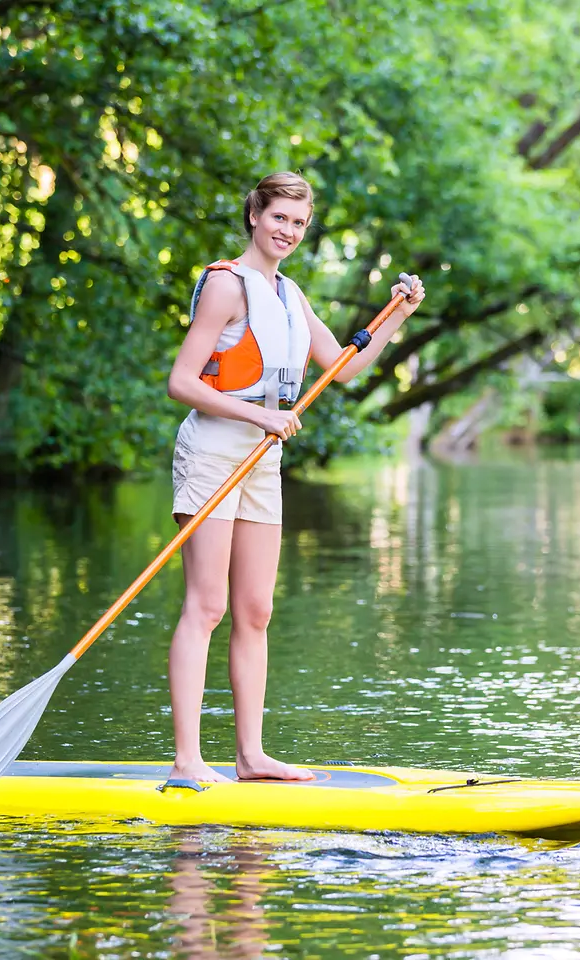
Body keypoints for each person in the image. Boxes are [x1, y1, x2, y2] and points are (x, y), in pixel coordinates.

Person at [164, 172, 425, 783]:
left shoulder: (290, 295)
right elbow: (182, 383)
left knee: (255, 610)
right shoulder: (226, 286)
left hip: (263, 459)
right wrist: (263, 415)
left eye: (300, 223)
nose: (288, 231)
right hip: (212, 453)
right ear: (256, 214)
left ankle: (251, 757)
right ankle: (186, 761)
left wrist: (399, 315)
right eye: (280, 217)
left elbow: (344, 369)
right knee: (206, 606)